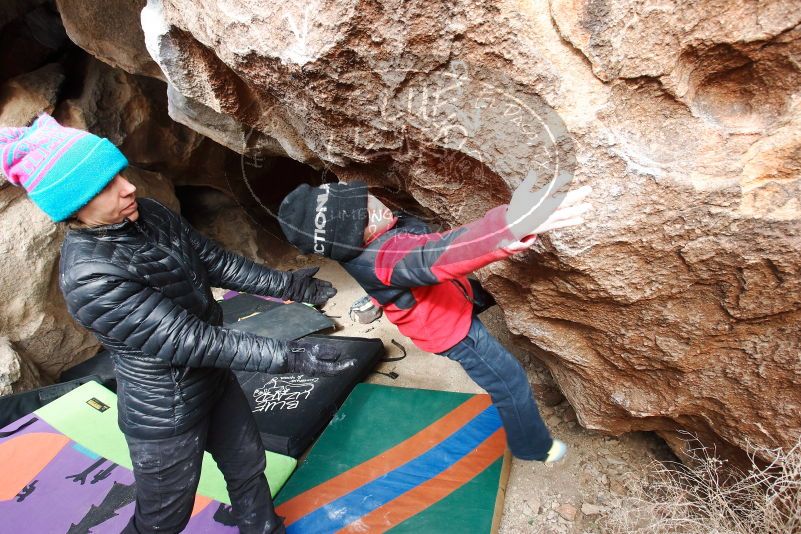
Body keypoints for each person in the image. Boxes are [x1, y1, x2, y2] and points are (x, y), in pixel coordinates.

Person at [0, 114, 355, 533]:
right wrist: (290, 355)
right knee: (163, 519)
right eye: (106, 186)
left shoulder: (146, 213)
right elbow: (188, 340)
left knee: (248, 465)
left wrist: (291, 286)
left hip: (213, 380)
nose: (128, 186)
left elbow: (213, 262)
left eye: (119, 174)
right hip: (166, 409)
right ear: (73, 205)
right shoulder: (89, 277)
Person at [278, 176, 592, 462]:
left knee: (479, 293)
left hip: (444, 295)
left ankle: (388, 298)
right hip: (451, 330)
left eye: (362, 197)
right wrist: (508, 226)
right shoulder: (387, 258)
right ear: (350, 242)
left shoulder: (358, 245)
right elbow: (439, 253)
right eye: (363, 216)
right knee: (509, 381)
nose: (374, 207)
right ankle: (533, 447)